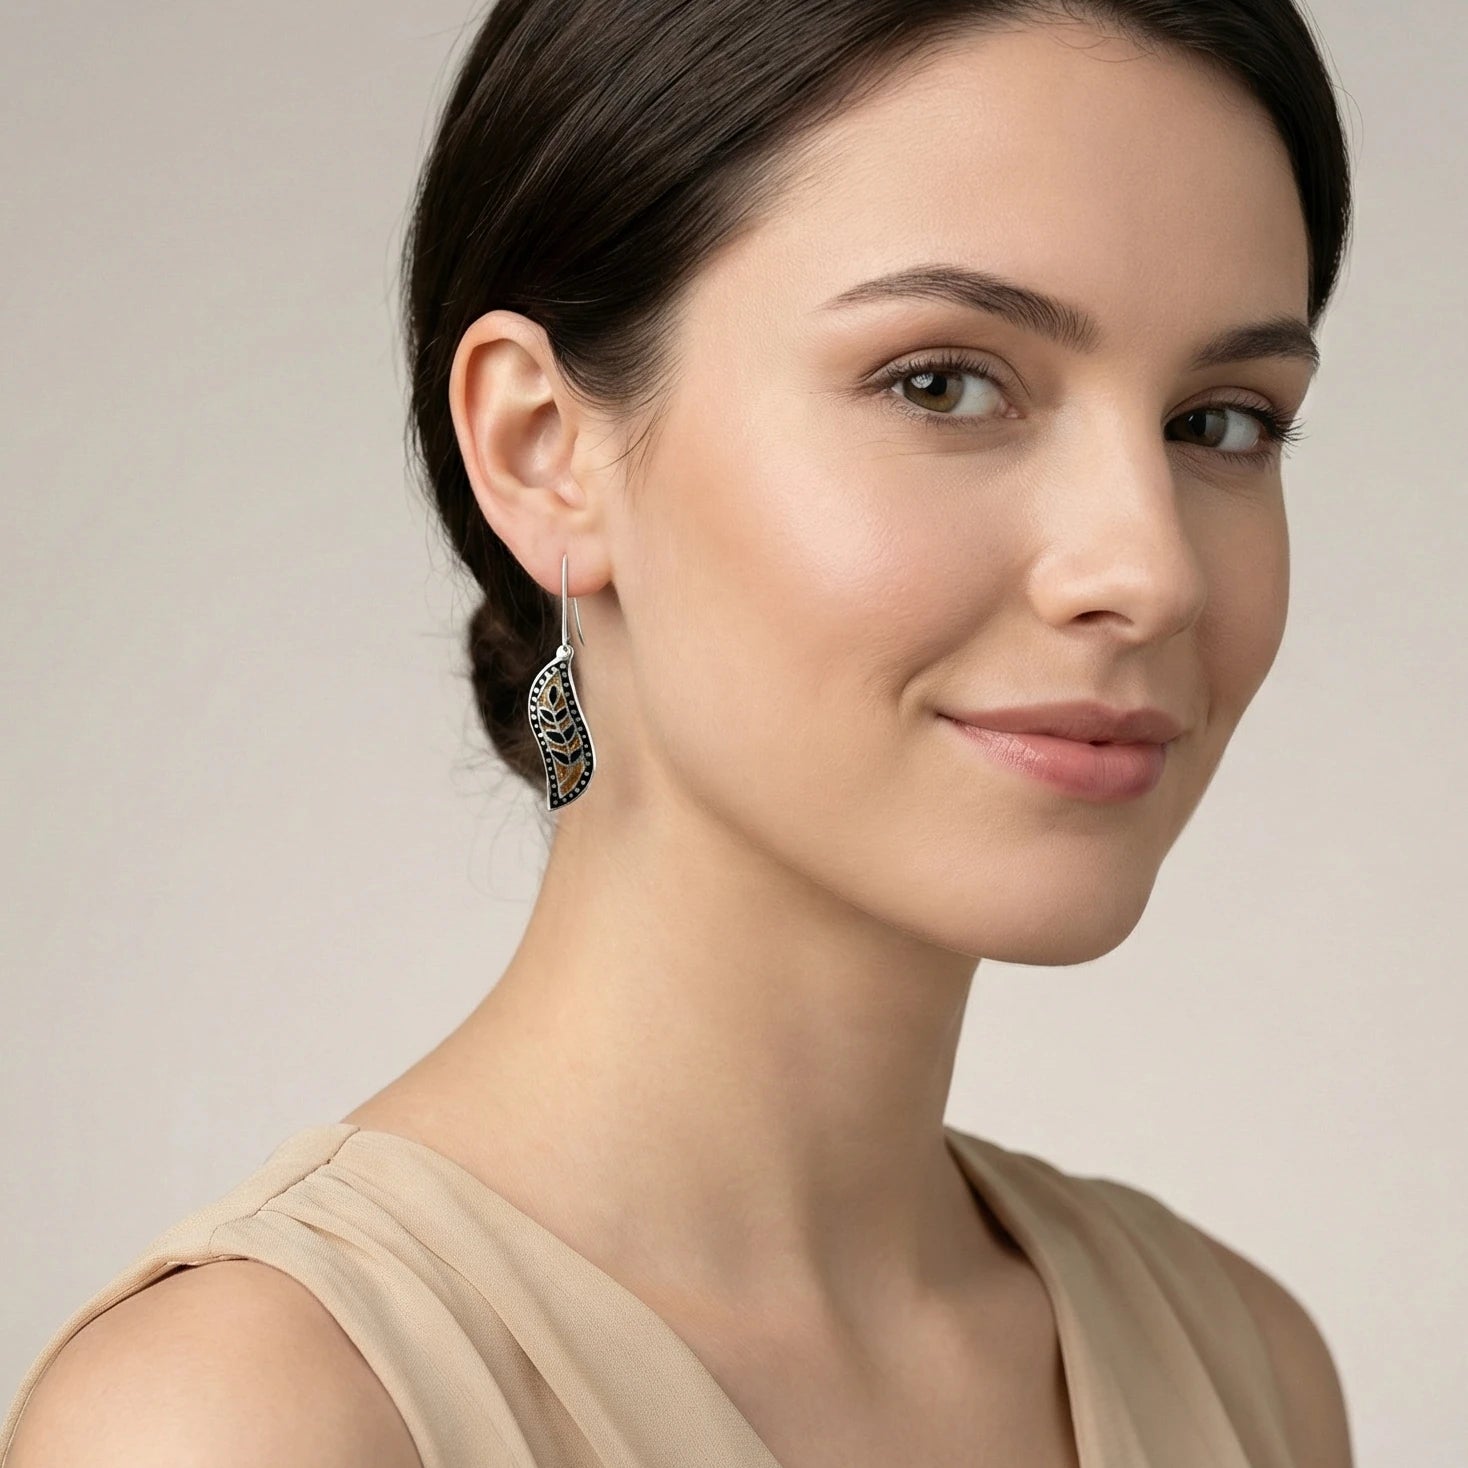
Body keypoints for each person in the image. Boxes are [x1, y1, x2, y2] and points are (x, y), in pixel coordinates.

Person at [2, 1, 1356, 1464]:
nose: (1148, 570)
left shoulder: (1245, 1368)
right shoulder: (253, 1422)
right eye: (945, 384)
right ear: (544, 449)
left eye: (1223, 422)